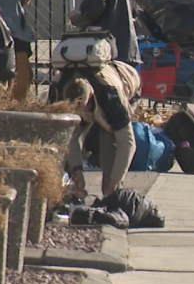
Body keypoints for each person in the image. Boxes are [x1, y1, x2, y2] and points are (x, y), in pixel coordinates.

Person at [59, 60, 141, 198]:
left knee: (107, 142)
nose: (81, 114)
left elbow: (127, 144)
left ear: (90, 97)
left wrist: (113, 182)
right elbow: (70, 138)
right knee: (68, 158)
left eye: (82, 110)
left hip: (126, 83)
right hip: (94, 100)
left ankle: (111, 195)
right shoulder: (58, 91)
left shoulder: (110, 97)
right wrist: (77, 171)